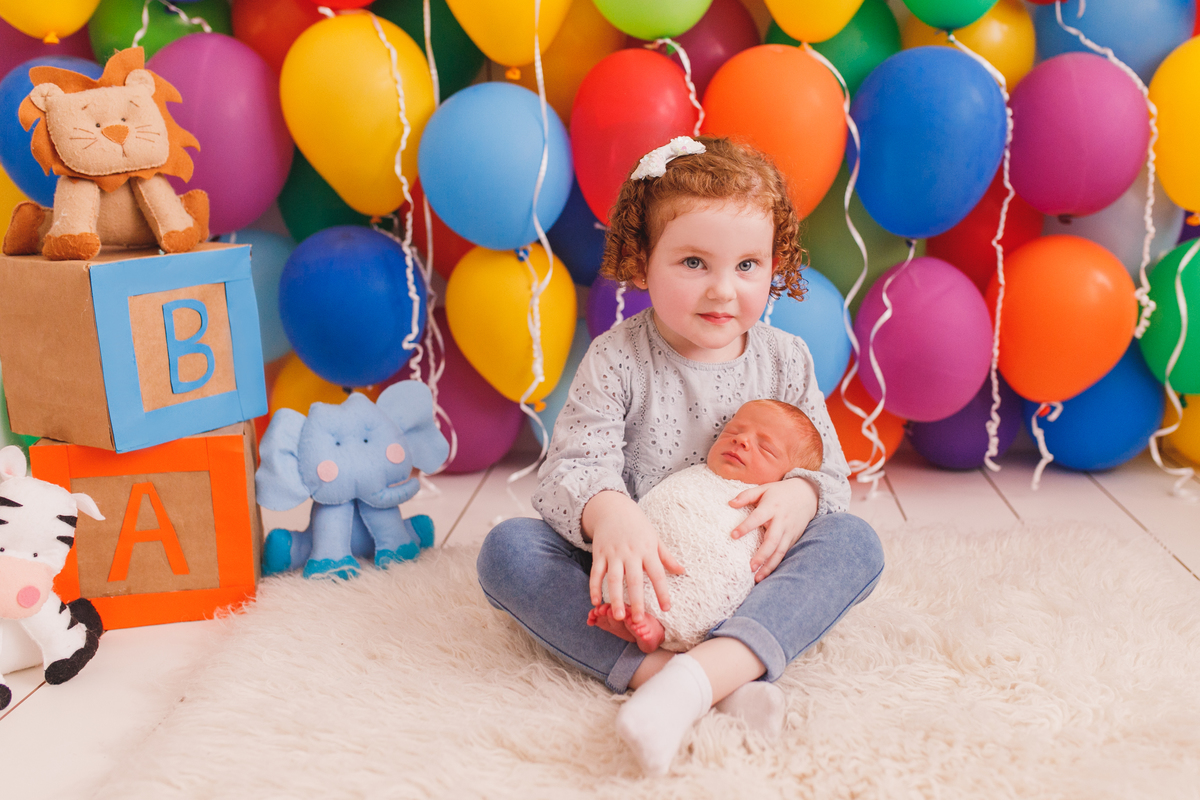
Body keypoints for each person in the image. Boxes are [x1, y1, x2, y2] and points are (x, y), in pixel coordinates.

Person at [476, 135, 884, 776]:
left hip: (746, 575)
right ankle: (701, 682)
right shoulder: (618, 358)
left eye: (747, 266)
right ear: (641, 262)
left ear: (773, 263)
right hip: (638, 585)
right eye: (694, 262)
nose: (723, 290)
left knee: (855, 541)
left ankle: (698, 674)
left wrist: (798, 494)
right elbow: (570, 471)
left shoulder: (784, 360)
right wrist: (611, 515)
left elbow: (827, 472)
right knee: (508, 551)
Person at [588, 399, 824, 654]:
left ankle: (662, 628)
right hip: (646, 544)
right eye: (732, 432)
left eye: (765, 448)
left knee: (847, 536)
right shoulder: (694, 474)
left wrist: (804, 492)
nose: (741, 440)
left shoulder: (774, 507)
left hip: (708, 569)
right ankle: (628, 610)